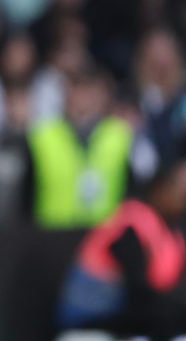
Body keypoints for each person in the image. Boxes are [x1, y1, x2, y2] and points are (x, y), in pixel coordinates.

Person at [55, 162, 186, 341]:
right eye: (177, 189)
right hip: (90, 308)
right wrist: (185, 299)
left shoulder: (171, 233)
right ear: (159, 191)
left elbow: (167, 286)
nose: (184, 197)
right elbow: (137, 288)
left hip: (121, 305)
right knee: (163, 316)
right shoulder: (132, 223)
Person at [26, 67, 134, 229]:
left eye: (89, 91)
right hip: (51, 237)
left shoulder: (121, 134)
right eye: (76, 90)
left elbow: (134, 188)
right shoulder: (42, 135)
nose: (82, 99)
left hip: (104, 240)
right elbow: (27, 190)